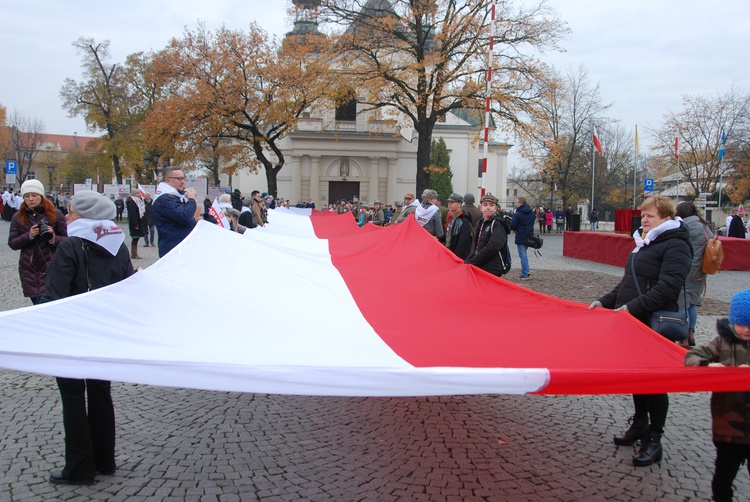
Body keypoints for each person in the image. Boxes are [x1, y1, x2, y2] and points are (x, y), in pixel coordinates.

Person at [589, 195, 691, 467]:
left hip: (654, 322)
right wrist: (606, 301)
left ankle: (654, 438)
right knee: (638, 378)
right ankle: (639, 425)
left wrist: (631, 308)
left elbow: (667, 287)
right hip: (635, 321)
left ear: (667, 218)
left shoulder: (676, 245)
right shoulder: (645, 243)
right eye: (643, 215)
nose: (644, 219)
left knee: (655, 383)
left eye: (651, 216)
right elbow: (628, 283)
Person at [40, 190, 134, 485]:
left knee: (72, 398)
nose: (65, 217)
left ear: (83, 216)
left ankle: (79, 467)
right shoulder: (118, 245)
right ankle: (105, 459)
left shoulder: (71, 245)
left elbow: (54, 297)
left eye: (69, 212)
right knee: (100, 394)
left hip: (72, 335)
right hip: (104, 333)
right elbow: (127, 289)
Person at [685, 289, 750, 502]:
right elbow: (692, 356)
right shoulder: (722, 342)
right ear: (733, 321)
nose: (747, 329)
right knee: (723, 476)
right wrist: (708, 364)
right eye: (742, 323)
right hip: (728, 428)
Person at [7, 179, 67, 304]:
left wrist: (53, 238)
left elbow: (67, 240)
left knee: (48, 305)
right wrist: (29, 235)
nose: (30, 199)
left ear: (41, 196)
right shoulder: (18, 217)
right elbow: (12, 243)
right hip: (30, 269)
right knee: (37, 305)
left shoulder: (55, 214)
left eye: (34, 195)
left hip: (52, 266)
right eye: (27, 196)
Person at [675, 201, 712, 347]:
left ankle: (683, 336)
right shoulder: (703, 226)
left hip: (685, 269)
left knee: (682, 302)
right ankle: (691, 332)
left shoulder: (684, 226)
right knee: (692, 303)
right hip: (700, 271)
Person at [152, 167, 198, 257]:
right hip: (173, 248)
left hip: (179, 246)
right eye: (178, 178)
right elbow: (184, 216)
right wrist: (192, 199)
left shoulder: (174, 196)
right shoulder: (165, 198)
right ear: (167, 180)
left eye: (183, 178)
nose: (182, 181)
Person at [464, 193, 510, 277]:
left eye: (491, 205)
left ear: (496, 208)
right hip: (482, 264)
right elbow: (477, 246)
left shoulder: (497, 224)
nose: (488, 208)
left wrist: (474, 261)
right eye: (485, 205)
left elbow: (493, 247)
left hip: (492, 267)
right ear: (480, 208)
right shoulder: (480, 223)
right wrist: (468, 260)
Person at [441, 193, 473, 260]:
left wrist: (456, 257)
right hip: (449, 251)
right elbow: (448, 235)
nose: (449, 204)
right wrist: (439, 239)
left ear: (459, 204)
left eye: (452, 202)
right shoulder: (451, 217)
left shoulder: (464, 220)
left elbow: (463, 242)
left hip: (457, 255)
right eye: (449, 202)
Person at [510, 196, 535, 280]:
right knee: (524, 254)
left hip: (521, 236)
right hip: (529, 235)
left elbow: (513, 225)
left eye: (517, 202)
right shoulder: (532, 213)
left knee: (522, 255)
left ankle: (525, 272)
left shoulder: (518, 214)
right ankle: (526, 270)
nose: (516, 204)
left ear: (520, 203)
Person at [125, 189, 146, 259]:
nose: (139, 194)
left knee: (137, 237)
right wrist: (136, 224)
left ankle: (134, 253)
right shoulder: (132, 202)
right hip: (134, 222)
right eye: (138, 193)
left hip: (138, 221)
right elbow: (133, 214)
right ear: (134, 194)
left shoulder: (137, 201)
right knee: (135, 237)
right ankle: (134, 253)